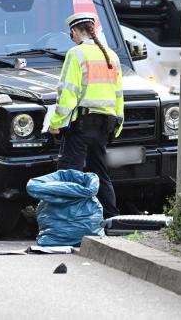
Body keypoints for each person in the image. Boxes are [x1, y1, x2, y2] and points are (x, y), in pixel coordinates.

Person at [48, 12, 124, 218]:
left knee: (71, 173)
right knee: (100, 173)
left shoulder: (76, 54)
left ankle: (71, 221)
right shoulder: (111, 55)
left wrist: (55, 123)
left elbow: (68, 93)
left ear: (74, 31)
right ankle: (110, 219)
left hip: (81, 125)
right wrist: (117, 126)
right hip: (105, 125)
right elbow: (118, 95)